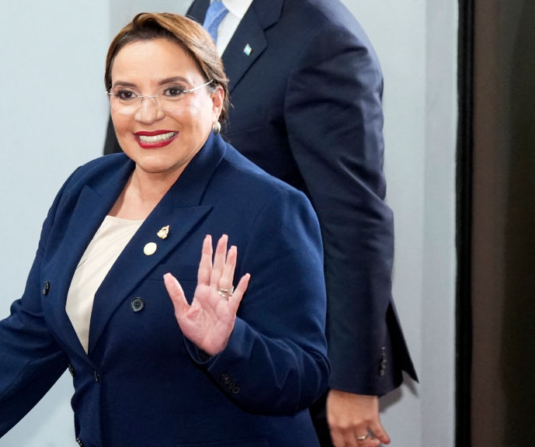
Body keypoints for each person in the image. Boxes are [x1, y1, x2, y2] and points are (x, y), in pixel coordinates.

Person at [0, 12, 329, 447]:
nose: (148, 114)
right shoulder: (85, 188)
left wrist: (230, 343)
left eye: (172, 90)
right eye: (127, 93)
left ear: (216, 99)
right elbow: (26, 341)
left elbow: (305, 375)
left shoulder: (270, 208)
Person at [102, 2, 418, 447]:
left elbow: (354, 219)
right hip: (170, 348)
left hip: (270, 350)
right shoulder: (202, 12)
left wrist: (352, 382)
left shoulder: (323, 37)